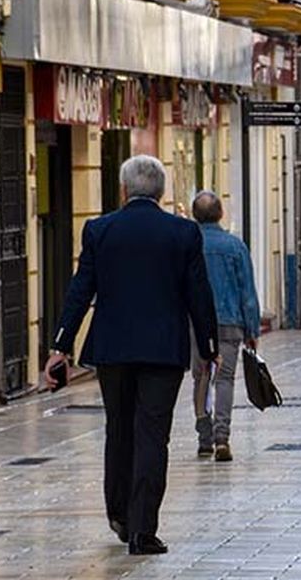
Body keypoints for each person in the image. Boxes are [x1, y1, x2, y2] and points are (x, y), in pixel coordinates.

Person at [44, 155, 218, 556]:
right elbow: (198, 293)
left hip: (113, 349)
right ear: (161, 191)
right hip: (162, 351)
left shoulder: (100, 230)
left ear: (124, 190)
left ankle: (119, 513)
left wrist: (60, 345)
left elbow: (80, 290)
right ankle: (143, 531)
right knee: (152, 437)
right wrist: (208, 347)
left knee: (118, 430)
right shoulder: (184, 233)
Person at [189, 192, 261, 463]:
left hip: (197, 324)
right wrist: (252, 329)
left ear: (195, 216)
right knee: (225, 380)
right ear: (220, 214)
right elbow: (247, 293)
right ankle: (222, 438)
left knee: (201, 378)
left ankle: (203, 438)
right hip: (230, 323)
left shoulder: (189, 245)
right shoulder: (235, 246)